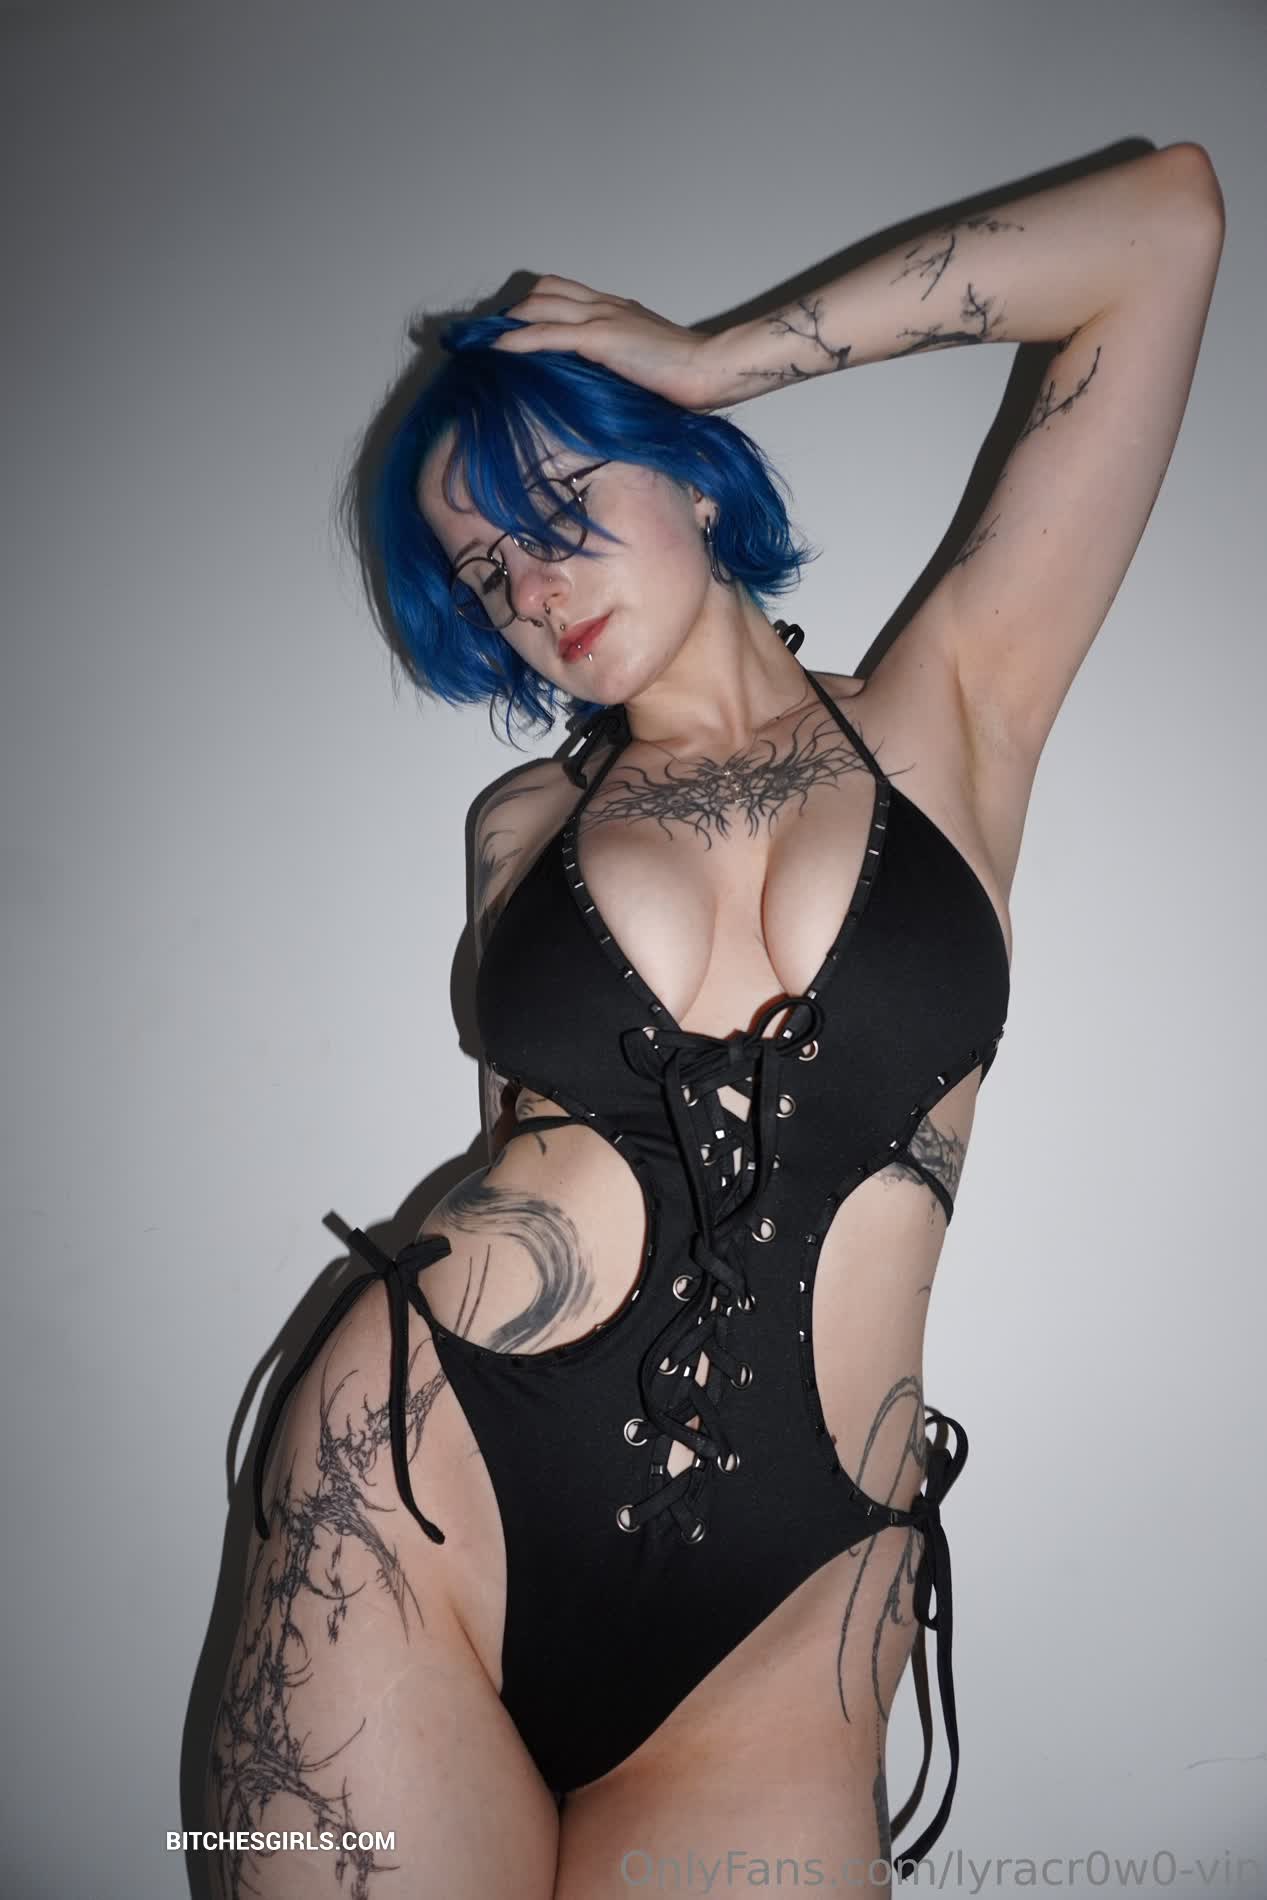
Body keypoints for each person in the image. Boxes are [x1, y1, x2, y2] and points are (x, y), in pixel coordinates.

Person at [205, 143, 1224, 1899]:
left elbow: (1166, 226)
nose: (530, 586)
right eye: (485, 571)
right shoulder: (520, 828)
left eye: (555, 503)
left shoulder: (951, 715)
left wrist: (710, 354)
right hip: (410, 1499)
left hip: (790, 1613)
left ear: (684, 462)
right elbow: (521, 1146)